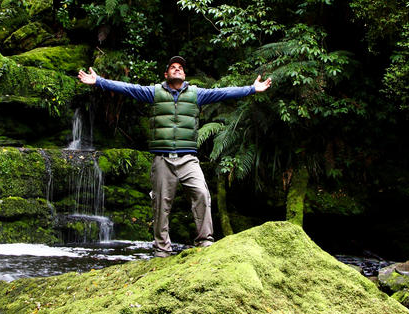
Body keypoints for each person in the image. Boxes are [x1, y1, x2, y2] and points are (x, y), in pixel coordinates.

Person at [77, 56, 271, 257]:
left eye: (180, 68)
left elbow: (222, 93)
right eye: (173, 67)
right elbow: (128, 88)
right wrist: (99, 81)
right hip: (162, 159)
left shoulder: (197, 94)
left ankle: (205, 241)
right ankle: (162, 249)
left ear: (184, 74)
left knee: (202, 194)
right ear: (166, 74)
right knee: (161, 203)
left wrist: (251, 88)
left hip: (188, 158)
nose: (177, 70)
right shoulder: (154, 93)